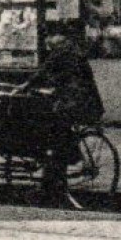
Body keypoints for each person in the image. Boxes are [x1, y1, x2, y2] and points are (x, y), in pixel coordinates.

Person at [28, 28, 104, 203]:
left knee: (53, 136)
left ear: (60, 36)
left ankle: (53, 183)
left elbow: (43, 72)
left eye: (50, 35)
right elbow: (64, 77)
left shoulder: (62, 51)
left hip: (74, 105)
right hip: (86, 104)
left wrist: (25, 85)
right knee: (59, 137)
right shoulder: (73, 50)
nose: (48, 41)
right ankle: (54, 182)